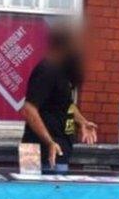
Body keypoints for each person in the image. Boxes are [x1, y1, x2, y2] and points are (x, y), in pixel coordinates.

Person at [21, 23, 97, 172]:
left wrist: (82, 122)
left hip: (58, 150)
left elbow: (64, 103)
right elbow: (28, 109)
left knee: (53, 195)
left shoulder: (63, 70)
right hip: (42, 152)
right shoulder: (46, 70)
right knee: (37, 195)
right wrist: (50, 142)